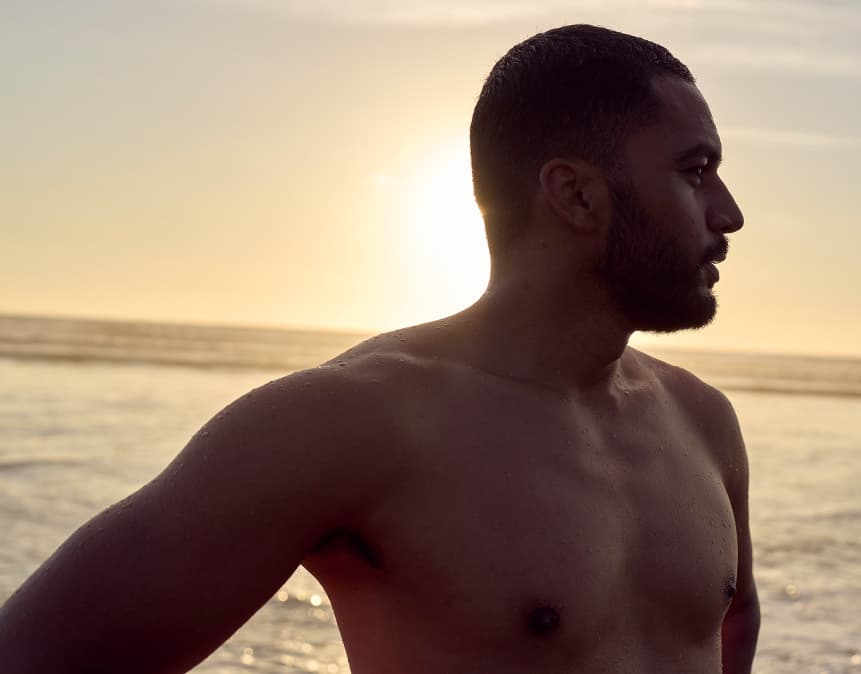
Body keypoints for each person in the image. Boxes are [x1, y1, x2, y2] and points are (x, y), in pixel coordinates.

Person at [0, 24, 756, 674]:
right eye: (695, 172)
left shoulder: (703, 423)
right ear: (577, 194)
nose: (730, 213)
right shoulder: (351, 425)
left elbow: (729, 630)